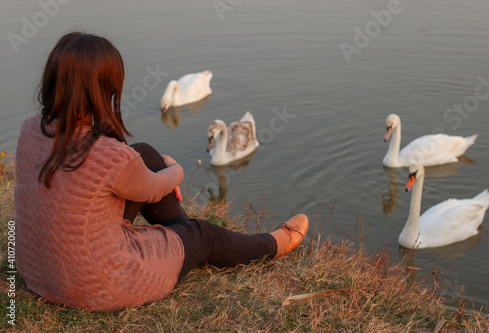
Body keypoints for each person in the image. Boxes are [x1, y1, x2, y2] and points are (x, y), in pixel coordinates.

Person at [14, 32, 309, 311]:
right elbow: (155, 186)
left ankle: (184, 243)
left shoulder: (29, 129)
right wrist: (174, 168)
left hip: (39, 272)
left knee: (142, 152)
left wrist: (149, 165)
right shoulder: (107, 154)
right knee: (202, 234)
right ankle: (272, 244)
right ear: (101, 90)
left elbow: (123, 171)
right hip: (94, 283)